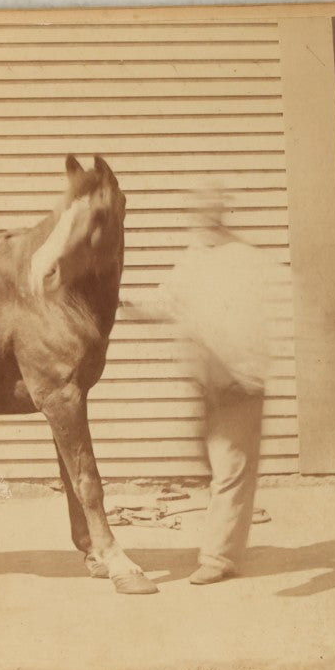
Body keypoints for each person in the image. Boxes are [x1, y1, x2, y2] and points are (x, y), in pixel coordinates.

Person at [125, 186, 276, 584]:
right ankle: (226, 539)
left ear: (220, 217)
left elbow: (251, 322)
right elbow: (169, 300)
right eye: (196, 217)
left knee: (230, 469)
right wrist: (129, 307)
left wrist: (242, 369)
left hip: (238, 378)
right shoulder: (194, 257)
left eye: (208, 217)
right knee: (216, 464)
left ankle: (219, 557)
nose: (202, 224)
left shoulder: (244, 258)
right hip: (207, 379)